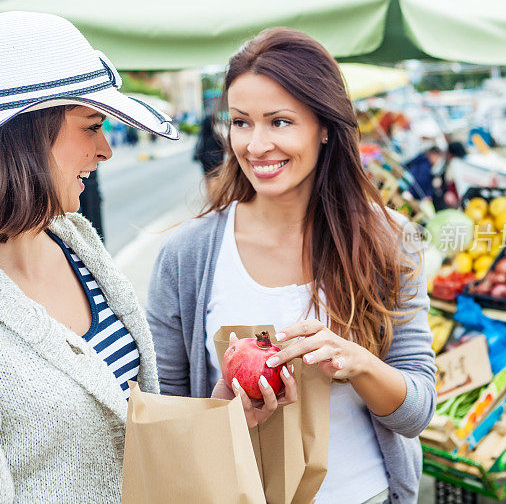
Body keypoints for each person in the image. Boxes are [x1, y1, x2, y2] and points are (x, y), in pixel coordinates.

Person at [0, 12, 294, 502]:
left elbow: (124, 445)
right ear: (21, 137)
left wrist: (222, 413)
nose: (107, 150)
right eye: (91, 126)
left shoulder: (75, 243)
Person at [146, 28, 436, 504]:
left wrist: (357, 363)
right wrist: (224, 405)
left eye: (279, 122)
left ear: (324, 126)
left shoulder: (388, 240)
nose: (256, 146)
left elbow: (417, 411)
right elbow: (165, 418)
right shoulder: (188, 255)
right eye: (241, 122)